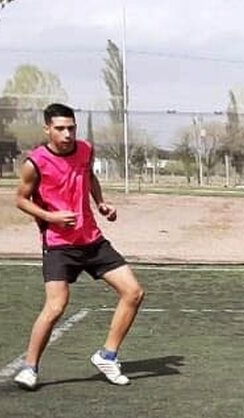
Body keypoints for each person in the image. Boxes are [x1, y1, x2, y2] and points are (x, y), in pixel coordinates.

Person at [11, 102, 146, 390]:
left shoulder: (85, 150)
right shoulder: (34, 163)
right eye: (60, 128)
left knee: (133, 292)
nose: (67, 134)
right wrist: (51, 217)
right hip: (59, 244)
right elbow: (21, 199)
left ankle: (107, 355)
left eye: (71, 127)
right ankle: (30, 368)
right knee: (56, 306)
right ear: (47, 129)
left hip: (92, 239)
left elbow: (89, 177)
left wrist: (101, 203)